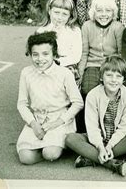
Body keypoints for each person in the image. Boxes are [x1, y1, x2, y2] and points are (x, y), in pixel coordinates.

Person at [65, 56, 126, 177]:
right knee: (70, 138)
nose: (114, 80)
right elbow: (92, 127)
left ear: (124, 79)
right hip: (98, 140)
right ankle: (111, 163)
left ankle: (92, 157)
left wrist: (110, 145)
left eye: (118, 76)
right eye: (109, 75)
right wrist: (101, 147)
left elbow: (125, 127)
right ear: (101, 77)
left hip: (119, 140)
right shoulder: (93, 95)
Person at [17, 31, 83, 164]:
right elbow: (22, 104)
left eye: (45, 54)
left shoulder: (65, 73)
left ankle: (59, 146)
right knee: (25, 158)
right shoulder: (26, 73)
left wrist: (57, 122)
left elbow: (78, 103)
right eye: (35, 54)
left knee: (50, 153)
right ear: (30, 54)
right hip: (37, 119)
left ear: (54, 54)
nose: (40, 59)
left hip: (59, 119)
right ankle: (43, 146)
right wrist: (33, 124)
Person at [79, 0, 125, 99]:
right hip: (92, 65)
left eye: (108, 11)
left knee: (113, 91)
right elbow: (84, 53)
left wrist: (122, 71)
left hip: (112, 64)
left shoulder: (118, 27)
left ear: (113, 12)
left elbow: (121, 53)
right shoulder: (87, 26)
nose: (104, 14)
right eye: (99, 11)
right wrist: (80, 74)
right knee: (87, 90)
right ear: (93, 12)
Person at [37, 0, 82, 85]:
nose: (59, 18)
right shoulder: (42, 31)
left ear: (70, 16)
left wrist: (58, 64)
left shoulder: (74, 31)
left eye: (64, 14)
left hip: (67, 66)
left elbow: (76, 56)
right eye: (56, 12)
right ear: (49, 11)